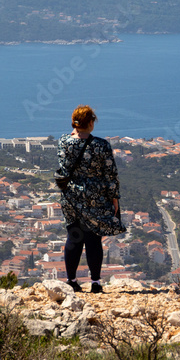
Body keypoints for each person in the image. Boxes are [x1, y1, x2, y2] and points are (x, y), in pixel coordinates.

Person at [55, 105, 125, 293]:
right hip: (95, 198)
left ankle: (72, 281)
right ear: (91, 122)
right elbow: (111, 174)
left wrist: (75, 131)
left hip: (71, 196)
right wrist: (114, 198)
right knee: (93, 239)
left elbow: (64, 167)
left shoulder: (64, 142)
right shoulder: (101, 145)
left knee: (74, 237)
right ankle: (95, 283)